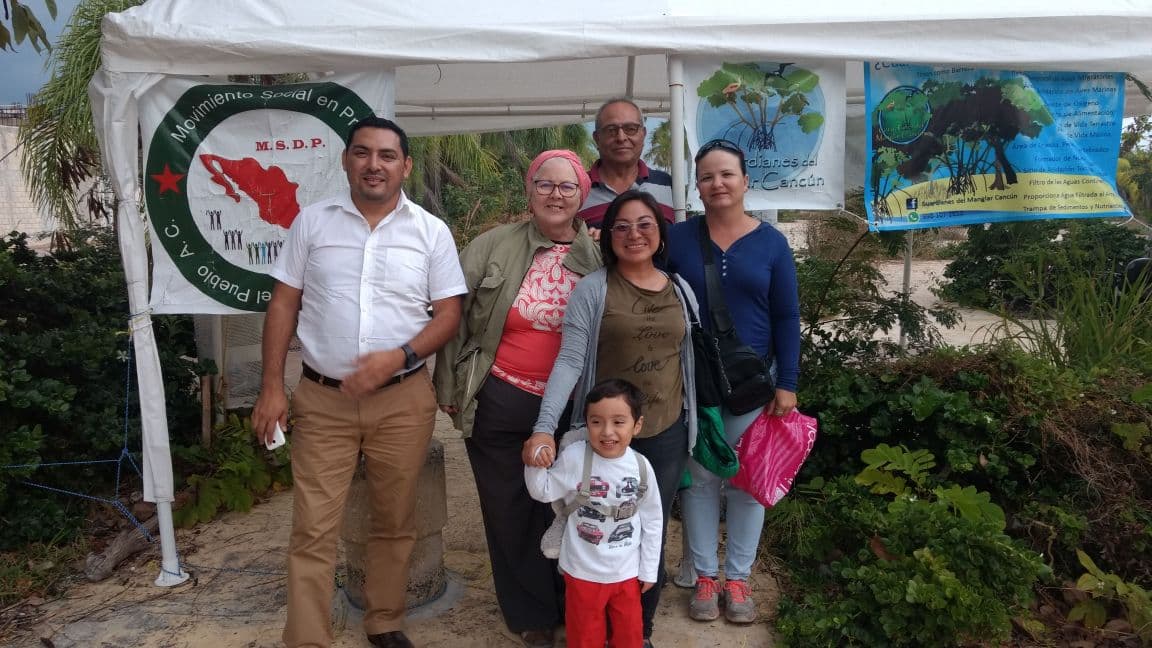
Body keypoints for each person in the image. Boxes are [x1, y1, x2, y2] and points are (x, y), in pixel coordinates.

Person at [252, 116, 467, 648]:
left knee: (395, 517)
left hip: (403, 399)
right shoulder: (312, 223)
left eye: (387, 155)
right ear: (347, 160)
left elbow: (447, 315)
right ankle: (306, 637)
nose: (375, 164)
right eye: (363, 153)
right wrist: (271, 386)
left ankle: (384, 620)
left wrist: (400, 355)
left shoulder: (430, 231)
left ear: (405, 166)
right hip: (323, 399)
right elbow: (283, 303)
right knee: (313, 526)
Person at [433, 150, 601, 648]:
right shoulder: (493, 246)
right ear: (529, 192)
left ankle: (573, 602)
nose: (555, 195)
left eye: (566, 187)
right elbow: (449, 314)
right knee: (508, 507)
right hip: (501, 395)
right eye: (544, 185)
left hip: (573, 405)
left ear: (581, 196)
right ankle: (531, 613)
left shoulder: (597, 254)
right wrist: (448, 387)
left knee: (570, 505)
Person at [527, 189, 701, 647]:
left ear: (661, 234)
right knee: (592, 521)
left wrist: (697, 420)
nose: (633, 234)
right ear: (608, 237)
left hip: (663, 431)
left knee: (648, 528)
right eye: (621, 226)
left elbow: (689, 360)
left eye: (645, 224)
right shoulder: (593, 289)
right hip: (602, 434)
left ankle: (636, 631)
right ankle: (587, 628)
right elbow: (569, 361)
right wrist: (546, 427)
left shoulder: (679, 289)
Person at [666, 139, 801, 625]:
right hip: (692, 382)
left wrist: (787, 381)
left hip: (752, 385)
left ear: (745, 181)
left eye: (726, 174)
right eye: (707, 176)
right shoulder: (677, 240)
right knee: (699, 480)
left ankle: (738, 578)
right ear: (697, 186)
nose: (717, 184)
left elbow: (787, 317)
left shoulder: (771, 244)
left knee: (747, 482)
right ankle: (705, 575)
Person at [525, 379, 663, 648]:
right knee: (585, 638)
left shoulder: (641, 467)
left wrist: (649, 570)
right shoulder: (576, 457)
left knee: (629, 637)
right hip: (582, 572)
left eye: (619, 421)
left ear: (637, 425)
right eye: (596, 421)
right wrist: (534, 462)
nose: (607, 431)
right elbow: (542, 491)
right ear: (586, 423)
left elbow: (653, 521)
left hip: (627, 573)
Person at [577, 99, 674, 230]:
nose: (621, 137)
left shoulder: (668, 185)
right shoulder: (576, 190)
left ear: (643, 134)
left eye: (631, 129)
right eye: (611, 130)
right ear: (597, 138)